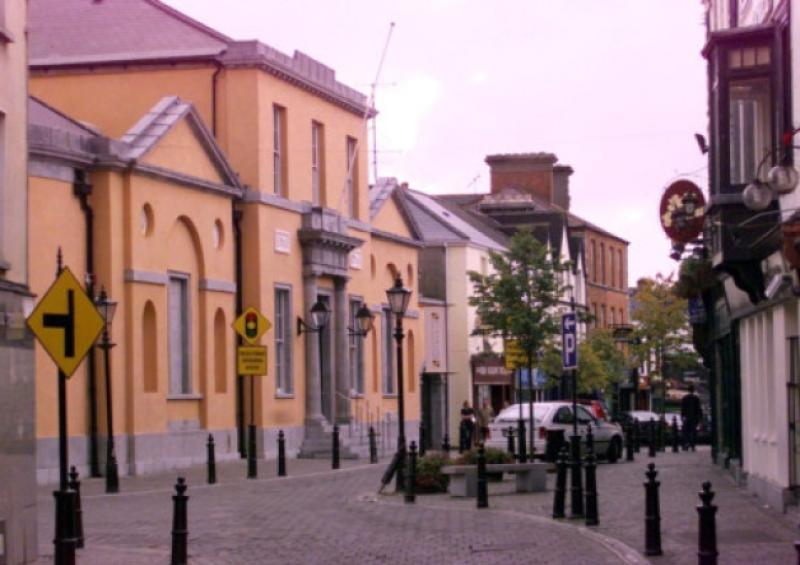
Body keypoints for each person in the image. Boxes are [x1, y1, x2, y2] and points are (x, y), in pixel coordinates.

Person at [680, 384, 703, 451]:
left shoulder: (685, 398)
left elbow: (683, 408)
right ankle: (693, 445)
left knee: (686, 432)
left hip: (687, 417)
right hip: (694, 417)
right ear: (693, 390)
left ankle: (686, 444)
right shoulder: (696, 398)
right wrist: (700, 417)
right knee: (693, 431)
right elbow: (698, 408)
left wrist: (682, 416)